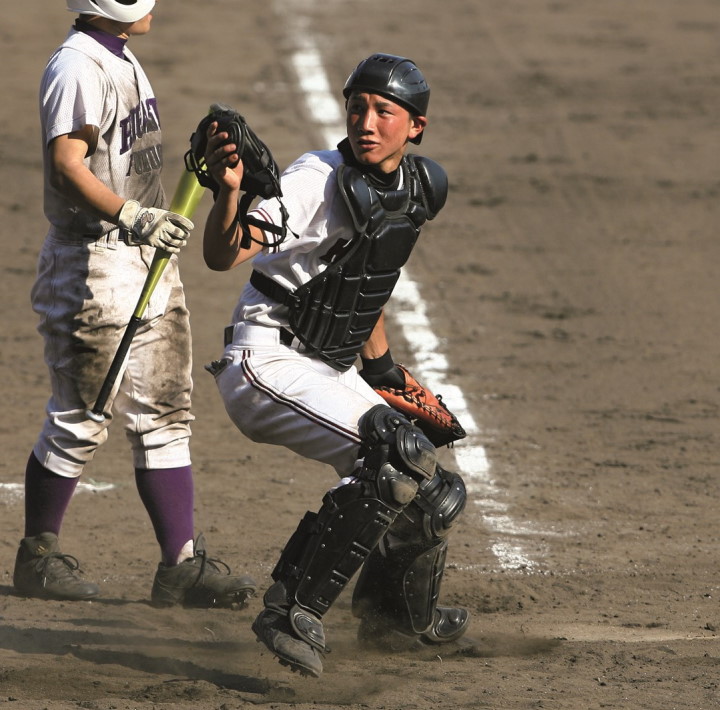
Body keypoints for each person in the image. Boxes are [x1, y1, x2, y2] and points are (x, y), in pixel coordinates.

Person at [201, 53, 469, 677]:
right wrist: (231, 194)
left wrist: (385, 374)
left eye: (384, 112)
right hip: (266, 358)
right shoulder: (312, 180)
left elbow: (360, 284)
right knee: (391, 454)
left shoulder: (415, 188)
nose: (367, 123)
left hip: (329, 366)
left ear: (416, 126)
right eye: (357, 108)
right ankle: (291, 611)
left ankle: (395, 622)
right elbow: (224, 254)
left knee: (435, 493)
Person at [13, 0, 257, 609]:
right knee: (80, 417)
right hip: (93, 267)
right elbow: (67, 166)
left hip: (146, 256)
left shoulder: (121, 56)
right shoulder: (78, 67)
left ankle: (180, 566)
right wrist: (132, 214)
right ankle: (37, 558)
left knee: (166, 415)